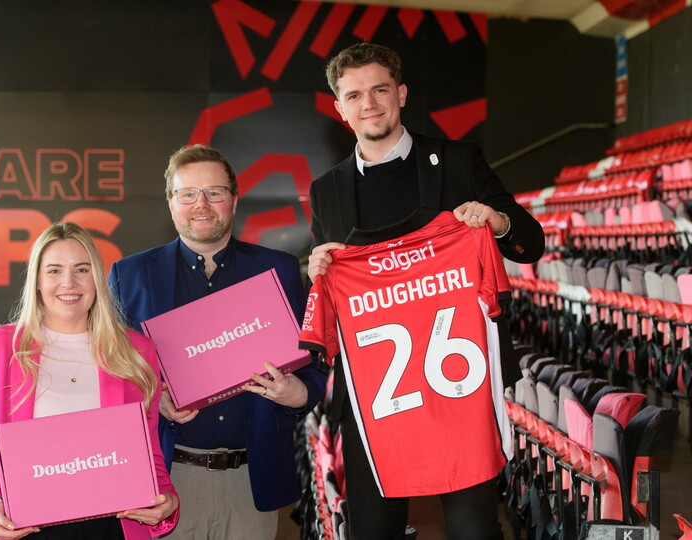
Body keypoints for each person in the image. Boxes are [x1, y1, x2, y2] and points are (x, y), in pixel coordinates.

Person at [307, 42, 545, 540]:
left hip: (460, 380)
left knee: (472, 529)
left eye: (380, 89)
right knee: (373, 531)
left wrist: (495, 221)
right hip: (376, 394)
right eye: (354, 95)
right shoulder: (326, 189)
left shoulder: (458, 161)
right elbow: (335, 289)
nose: (369, 103)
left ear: (402, 93)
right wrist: (318, 268)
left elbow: (529, 242)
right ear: (339, 108)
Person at [108, 144, 327, 539]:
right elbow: (108, 377)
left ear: (234, 199)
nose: (201, 204)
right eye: (187, 194)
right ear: (171, 203)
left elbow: (313, 368)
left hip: (252, 481)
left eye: (214, 192)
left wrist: (296, 392)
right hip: (169, 479)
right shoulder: (130, 275)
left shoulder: (277, 269)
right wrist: (153, 396)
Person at [0, 222, 179, 540]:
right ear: (37, 281)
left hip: (110, 528)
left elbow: (149, 453)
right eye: (55, 271)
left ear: (97, 279)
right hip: (26, 529)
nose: (69, 283)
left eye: (82, 269)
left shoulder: (136, 351)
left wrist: (165, 499)